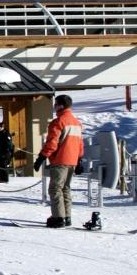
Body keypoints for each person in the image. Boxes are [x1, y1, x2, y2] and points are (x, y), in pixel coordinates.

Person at [34, 95, 84, 228]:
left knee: (55, 188)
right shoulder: (76, 123)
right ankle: (67, 216)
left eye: (55, 104)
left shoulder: (58, 122)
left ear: (61, 106)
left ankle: (58, 217)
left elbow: (52, 143)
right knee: (65, 188)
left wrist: (42, 157)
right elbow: (80, 144)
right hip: (72, 160)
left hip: (60, 159)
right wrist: (79, 159)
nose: (54, 107)